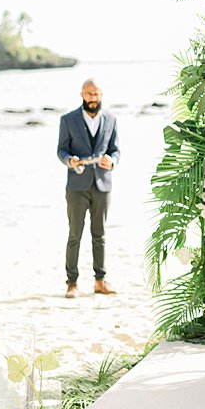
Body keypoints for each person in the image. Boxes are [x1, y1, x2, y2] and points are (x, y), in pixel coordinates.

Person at [57, 78, 120, 298]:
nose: (93, 98)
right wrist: (70, 161)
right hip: (76, 186)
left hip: (103, 184)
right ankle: (72, 283)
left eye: (96, 94)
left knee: (99, 235)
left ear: (101, 95)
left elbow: (115, 150)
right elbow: (61, 151)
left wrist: (111, 162)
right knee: (75, 234)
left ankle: (100, 281)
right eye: (89, 94)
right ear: (82, 94)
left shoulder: (111, 119)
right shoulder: (68, 120)